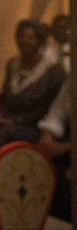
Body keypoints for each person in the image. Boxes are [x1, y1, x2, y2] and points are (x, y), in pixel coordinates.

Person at [0, 19, 67, 153]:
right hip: (7, 122)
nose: (25, 41)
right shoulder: (13, 64)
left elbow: (52, 109)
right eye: (21, 36)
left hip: (35, 127)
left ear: (40, 42)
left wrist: (12, 121)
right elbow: (4, 96)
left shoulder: (54, 72)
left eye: (31, 38)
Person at [37, 80, 71, 221]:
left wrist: (67, 148)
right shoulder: (73, 80)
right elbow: (57, 113)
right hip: (65, 143)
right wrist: (47, 139)